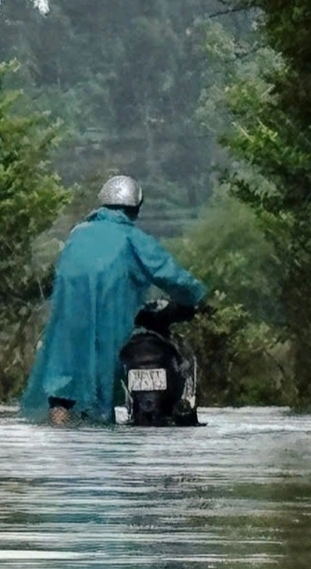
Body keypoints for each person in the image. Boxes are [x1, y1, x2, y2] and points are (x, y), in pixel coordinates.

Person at [22, 176, 207, 424]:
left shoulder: (77, 235)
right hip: (112, 315)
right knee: (106, 368)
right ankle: (99, 414)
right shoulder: (132, 237)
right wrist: (197, 296)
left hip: (69, 318)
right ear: (135, 208)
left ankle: (61, 419)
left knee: (64, 384)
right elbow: (171, 275)